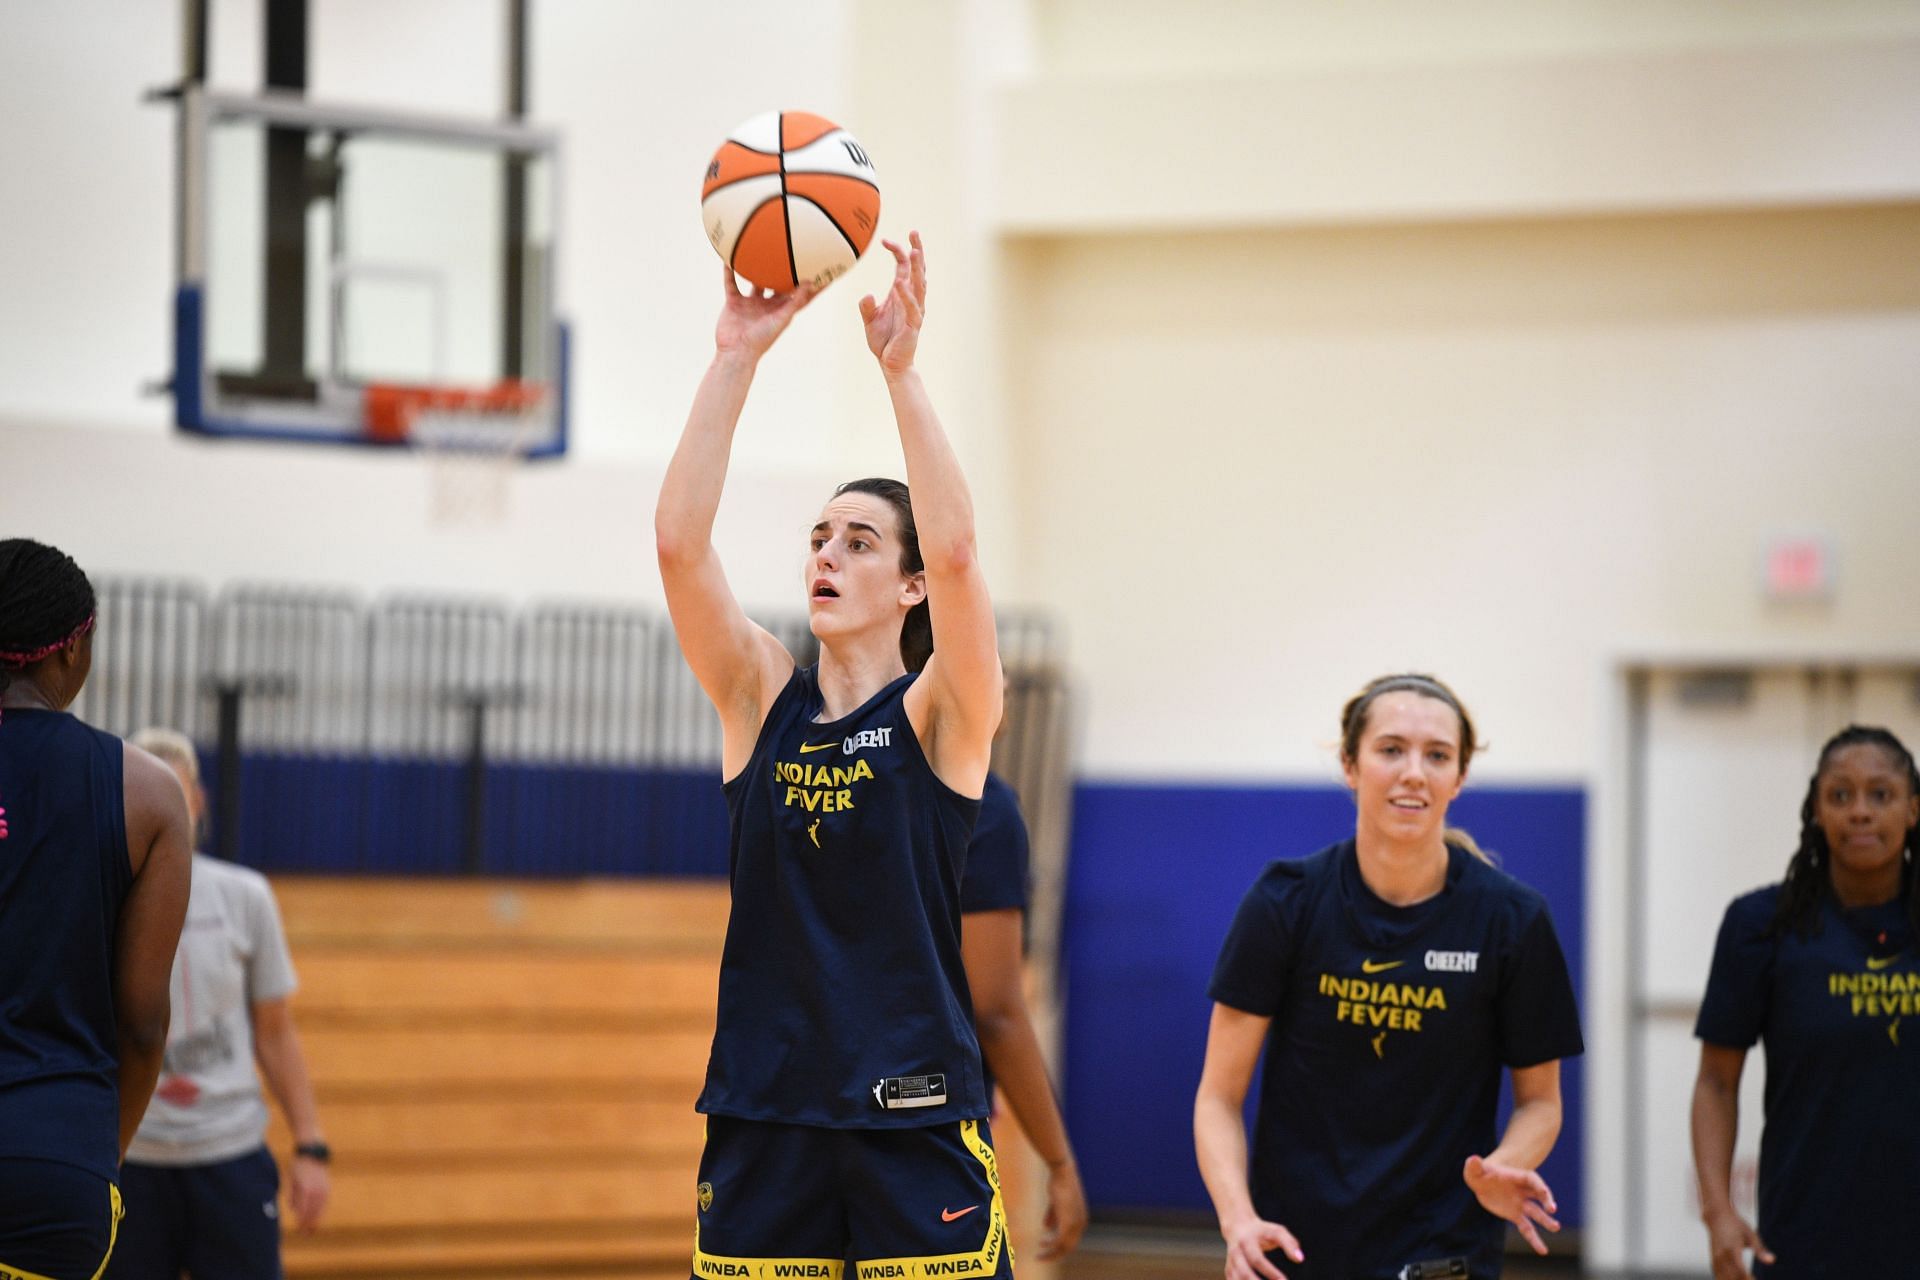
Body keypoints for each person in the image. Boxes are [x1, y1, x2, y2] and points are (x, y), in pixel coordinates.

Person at [656, 233, 1012, 1274]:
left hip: (911, 1110)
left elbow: (954, 550)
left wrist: (901, 372)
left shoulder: (943, 713)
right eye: (819, 536)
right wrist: (737, 355)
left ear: (907, 591)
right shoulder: (760, 694)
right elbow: (680, 546)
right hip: (766, 1109)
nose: (827, 553)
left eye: (859, 541)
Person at [1194, 673, 1584, 1280]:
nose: (1413, 772)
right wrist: (1238, 1219)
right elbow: (1218, 1097)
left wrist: (1503, 1167)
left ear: (1459, 778)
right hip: (1296, 1244)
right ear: (1350, 765)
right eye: (1391, 749)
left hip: (1442, 1243)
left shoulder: (1513, 920)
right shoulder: (1285, 902)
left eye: (1437, 756)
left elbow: (1541, 1103)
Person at [0, 538, 191, 1280]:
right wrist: (95, 1156)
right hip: (57, 1159)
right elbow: (143, 1020)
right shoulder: (147, 794)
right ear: (74, 651)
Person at [1690, 725, 1920, 1280]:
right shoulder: (1761, 925)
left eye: (1880, 794)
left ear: (1913, 809)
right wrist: (1718, 1210)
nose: (1859, 811)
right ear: (1816, 810)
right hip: (1804, 1239)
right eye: (1840, 795)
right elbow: (1717, 1082)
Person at [106, 728, 330, 1280]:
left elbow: (275, 1032)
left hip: (229, 1159)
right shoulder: (98, 896)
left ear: (198, 802)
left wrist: (311, 1145)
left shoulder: (245, 896)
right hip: (129, 1162)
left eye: (177, 796)